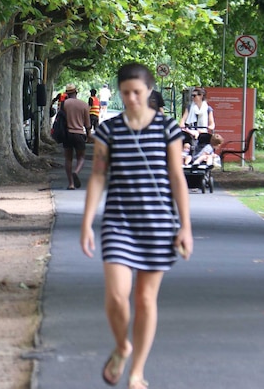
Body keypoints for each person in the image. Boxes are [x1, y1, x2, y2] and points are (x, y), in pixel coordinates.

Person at [80, 63, 192, 389]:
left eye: (137, 92)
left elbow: (176, 178)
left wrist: (185, 226)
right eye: (125, 92)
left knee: (145, 299)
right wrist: (87, 223)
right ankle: (122, 345)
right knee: (117, 295)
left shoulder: (168, 129)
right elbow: (99, 175)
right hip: (119, 221)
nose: (131, 98)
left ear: (149, 91)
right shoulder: (108, 130)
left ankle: (137, 371)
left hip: (158, 224)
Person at [60, 83, 91, 190]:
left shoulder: (64, 104)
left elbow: (60, 119)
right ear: (76, 92)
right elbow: (87, 124)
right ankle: (76, 171)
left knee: (68, 159)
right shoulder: (84, 105)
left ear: (67, 93)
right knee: (81, 157)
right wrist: (89, 135)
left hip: (67, 134)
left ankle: (71, 184)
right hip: (79, 134)